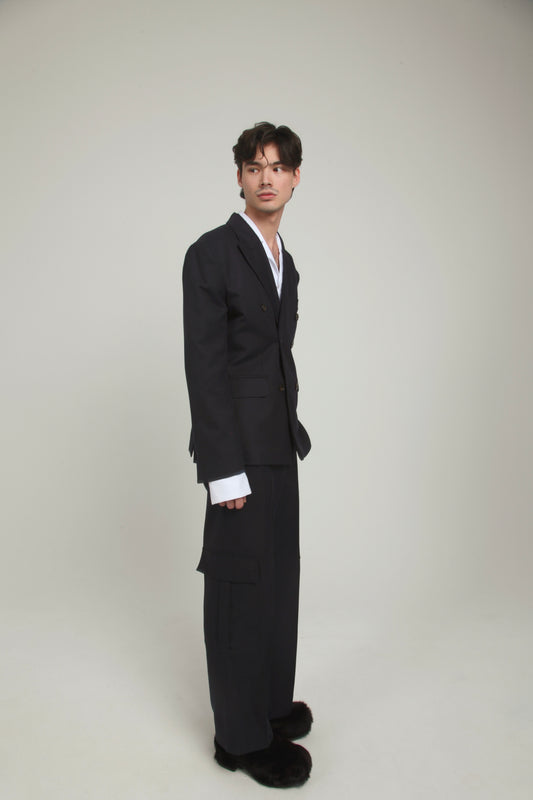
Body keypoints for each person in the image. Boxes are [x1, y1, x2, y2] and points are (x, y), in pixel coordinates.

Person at [182, 122, 313, 788]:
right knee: (239, 589)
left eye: (278, 167)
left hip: (278, 443)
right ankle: (239, 738)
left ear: (295, 178)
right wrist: (222, 469)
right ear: (238, 176)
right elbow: (204, 368)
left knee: (279, 582)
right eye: (254, 166)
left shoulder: (285, 257)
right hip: (237, 452)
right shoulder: (211, 253)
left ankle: (267, 706)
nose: (266, 177)